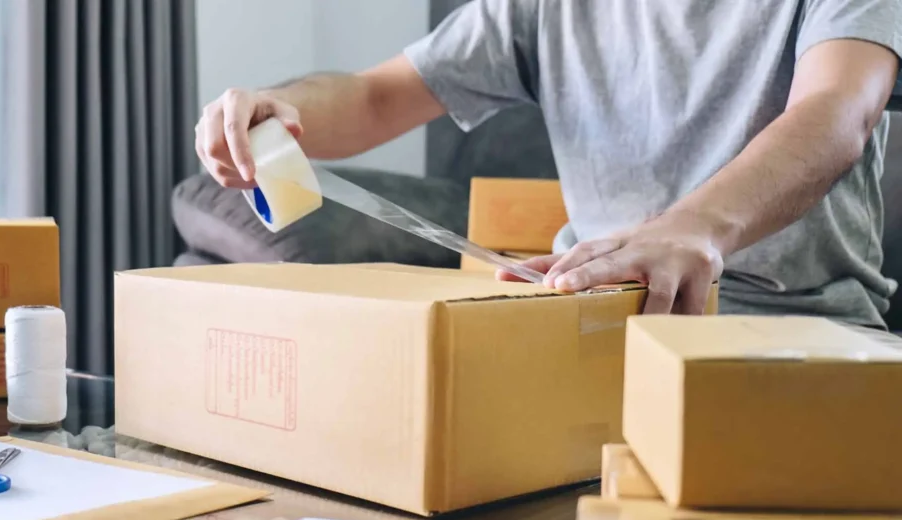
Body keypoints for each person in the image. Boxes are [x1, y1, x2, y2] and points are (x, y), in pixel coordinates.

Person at [195, 0, 901, 329]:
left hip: (797, 328)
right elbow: (378, 97)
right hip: (589, 325)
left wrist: (696, 228)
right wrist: (276, 108)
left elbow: (838, 112)